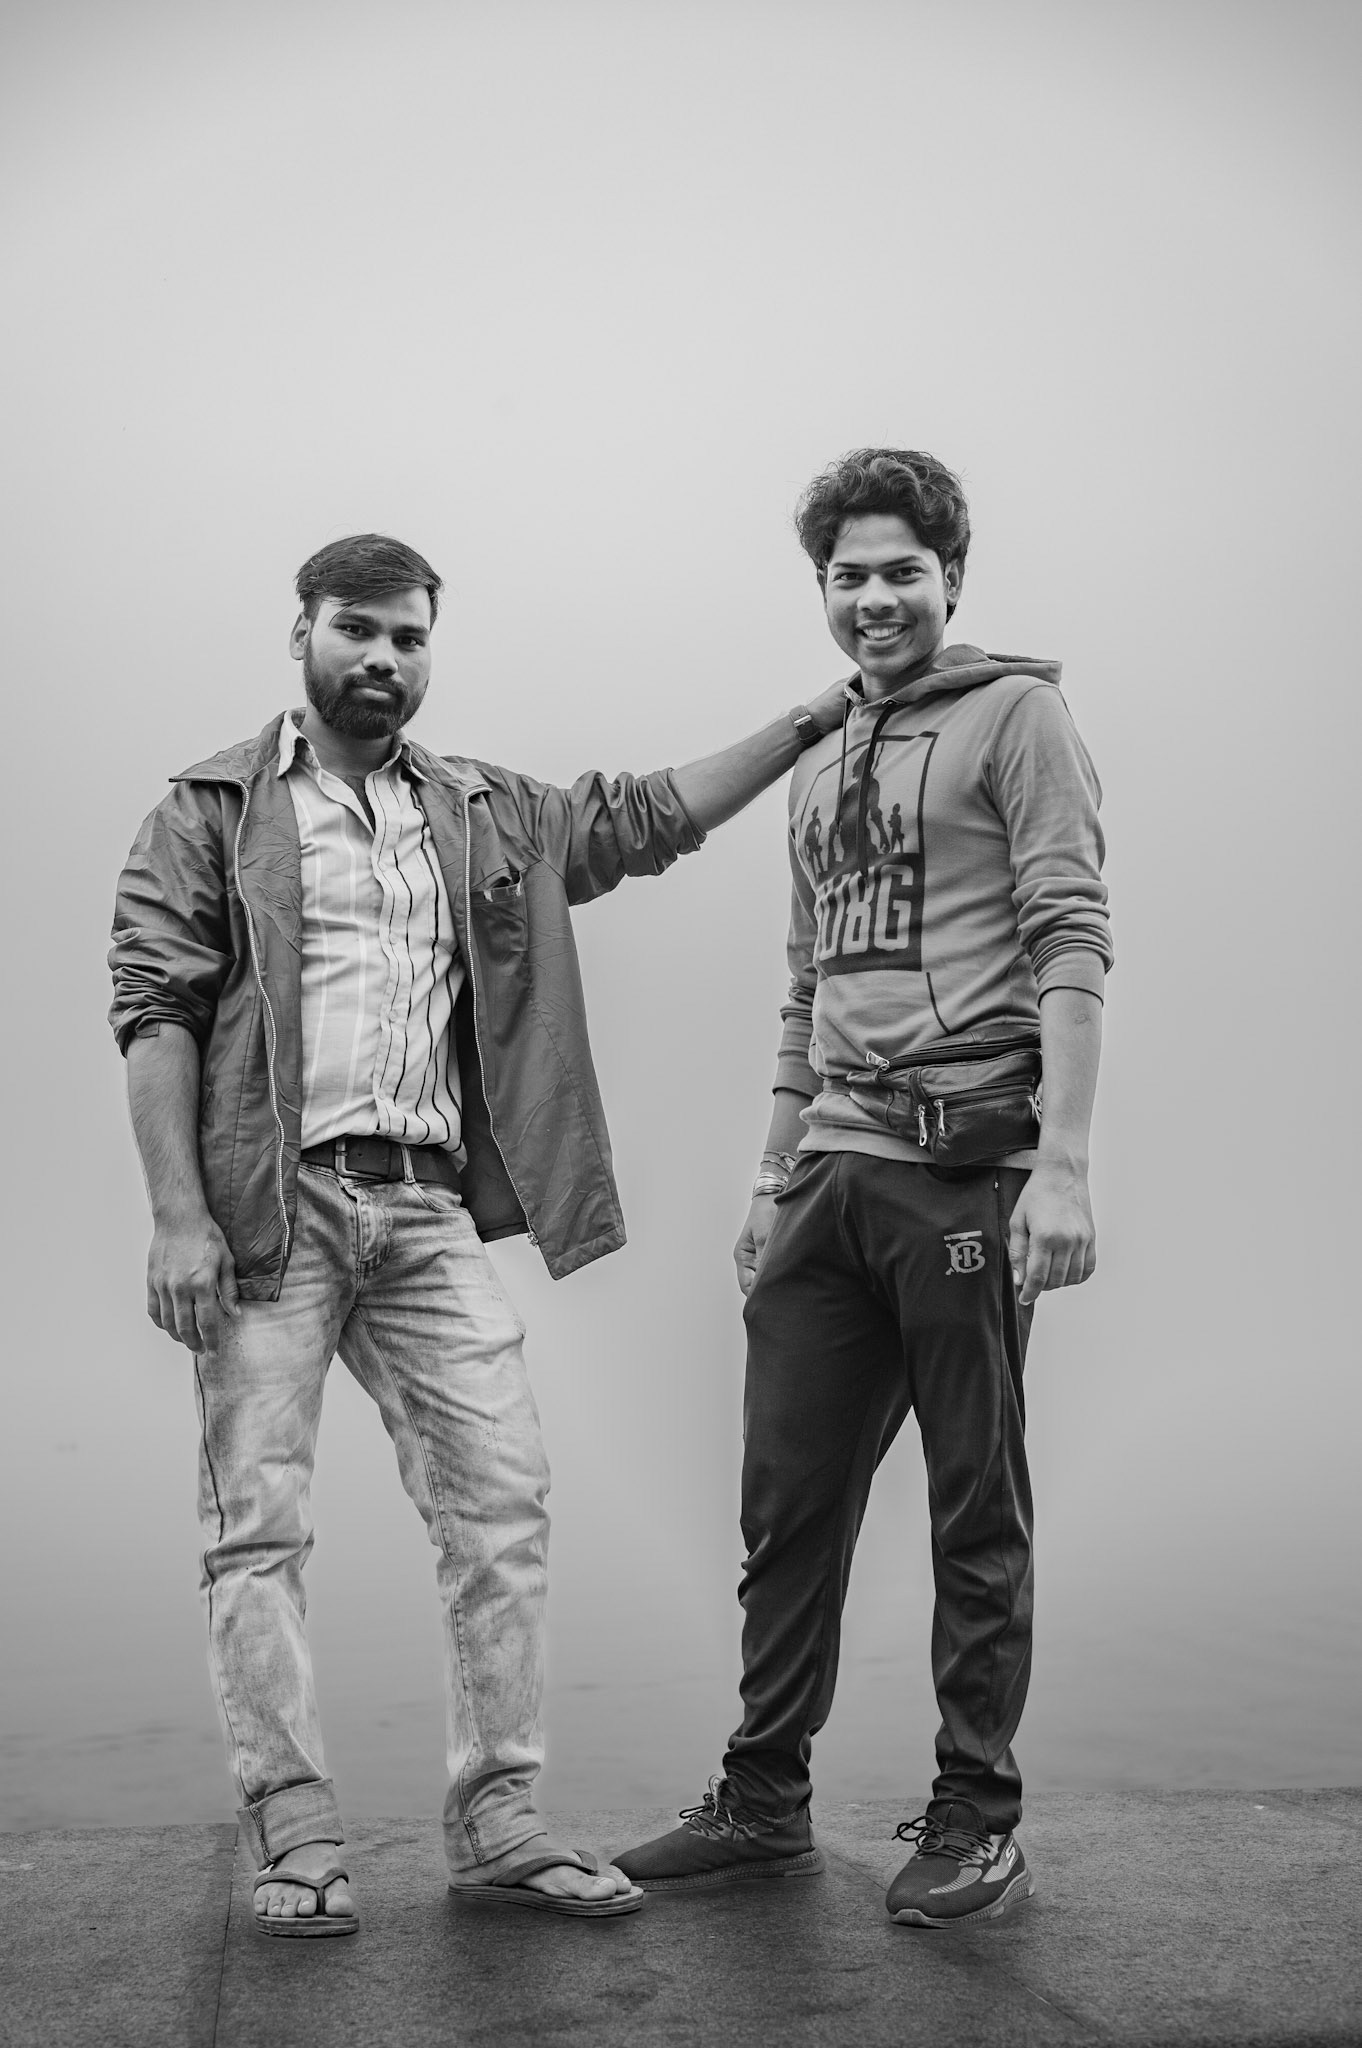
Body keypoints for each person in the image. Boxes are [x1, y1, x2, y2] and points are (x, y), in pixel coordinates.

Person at [108, 532, 846, 1935]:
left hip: (427, 1207)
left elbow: (648, 817)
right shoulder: (208, 809)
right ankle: (295, 1832)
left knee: (502, 1506)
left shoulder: (481, 811)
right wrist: (177, 1218)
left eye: (408, 636)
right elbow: (156, 1009)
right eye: (356, 629)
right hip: (271, 1210)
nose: (382, 658)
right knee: (256, 1530)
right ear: (302, 635)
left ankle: (498, 1820)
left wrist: (817, 716)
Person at [615, 449, 1112, 1927]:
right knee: (787, 1506)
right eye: (849, 576)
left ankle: (977, 1815)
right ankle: (763, 1801)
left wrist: (1063, 1166)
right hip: (830, 1172)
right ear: (821, 590)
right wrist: (770, 1179)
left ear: (951, 578)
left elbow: (1071, 937)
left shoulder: (1018, 717)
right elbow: (805, 985)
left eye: (903, 571)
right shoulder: (824, 754)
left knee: (975, 1507)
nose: (875, 598)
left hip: (964, 1169)